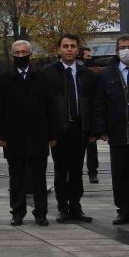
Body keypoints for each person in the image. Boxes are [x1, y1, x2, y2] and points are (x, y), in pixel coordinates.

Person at [0, 40, 57, 226]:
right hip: (14, 136)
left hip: (38, 134)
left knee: (39, 177)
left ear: (30, 54)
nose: (21, 56)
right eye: (17, 53)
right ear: (12, 54)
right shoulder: (3, 79)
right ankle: (17, 212)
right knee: (16, 177)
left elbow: (51, 108)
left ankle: (41, 213)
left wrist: (52, 135)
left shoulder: (43, 77)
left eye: (24, 52)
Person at [42, 33, 99, 223]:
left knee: (76, 170)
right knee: (61, 170)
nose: (69, 49)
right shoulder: (48, 73)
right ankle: (62, 208)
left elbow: (93, 103)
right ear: (59, 49)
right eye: (65, 46)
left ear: (78, 49)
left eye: (72, 46)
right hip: (58, 130)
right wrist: (49, 132)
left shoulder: (87, 75)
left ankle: (76, 207)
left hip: (79, 128)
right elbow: (44, 105)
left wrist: (93, 130)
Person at [96, 35, 129, 225]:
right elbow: (100, 103)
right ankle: (124, 210)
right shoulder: (107, 73)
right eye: (122, 47)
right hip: (117, 134)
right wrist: (101, 128)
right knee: (120, 176)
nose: (126, 50)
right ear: (117, 51)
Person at [79, 46, 99, 183]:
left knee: (91, 147)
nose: (89, 59)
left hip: (88, 118)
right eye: (87, 57)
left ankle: (92, 172)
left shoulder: (92, 75)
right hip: (75, 118)